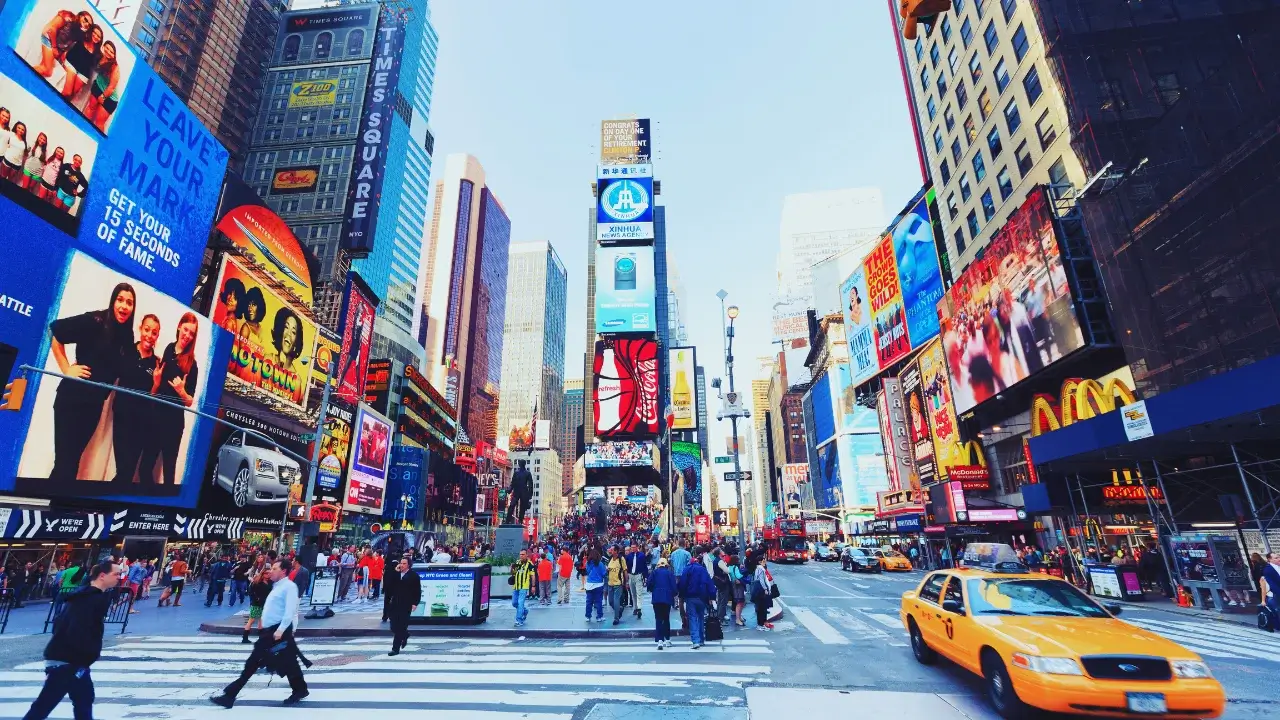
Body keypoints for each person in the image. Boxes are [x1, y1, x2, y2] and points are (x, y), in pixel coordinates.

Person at [48, 283, 136, 481]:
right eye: (120, 300)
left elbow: (129, 370)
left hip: (94, 406)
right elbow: (55, 331)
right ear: (113, 301)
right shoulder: (95, 320)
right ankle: (51, 506)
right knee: (65, 463)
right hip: (71, 400)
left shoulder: (126, 336)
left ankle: (52, 506)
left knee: (70, 462)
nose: (124, 306)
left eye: (129, 303)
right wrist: (66, 369)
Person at [21, 561, 118, 720]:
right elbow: (80, 628)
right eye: (116, 574)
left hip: (70, 659)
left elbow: (59, 624)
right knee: (45, 705)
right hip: (69, 660)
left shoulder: (82, 595)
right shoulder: (92, 599)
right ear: (102, 576)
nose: (119, 578)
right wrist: (85, 655)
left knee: (83, 700)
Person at [210, 560, 308, 708]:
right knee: (289, 662)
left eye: (275, 568)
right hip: (271, 631)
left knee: (252, 663)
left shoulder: (289, 587)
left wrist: (280, 630)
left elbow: (290, 612)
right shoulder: (277, 586)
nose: (271, 571)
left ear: (283, 571)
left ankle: (230, 695)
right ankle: (300, 689)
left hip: (277, 632)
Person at [138, 313, 200, 486]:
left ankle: (164, 511)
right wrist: (156, 381)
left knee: (169, 473)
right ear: (179, 326)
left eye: (192, 333)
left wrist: (182, 391)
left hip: (173, 423)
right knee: (144, 468)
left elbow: (189, 401)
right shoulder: (168, 349)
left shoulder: (192, 364)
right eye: (186, 329)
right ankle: (147, 507)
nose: (187, 335)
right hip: (156, 416)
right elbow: (160, 381)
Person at [678, 549, 714, 649]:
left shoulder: (686, 570)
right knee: (701, 617)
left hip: (690, 597)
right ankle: (701, 639)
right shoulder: (703, 570)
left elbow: (682, 584)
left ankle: (695, 640)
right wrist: (712, 597)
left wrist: (681, 595)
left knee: (693, 618)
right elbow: (709, 583)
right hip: (702, 597)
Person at [387, 558, 420, 655]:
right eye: (401, 563)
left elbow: (417, 591)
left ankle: (395, 649)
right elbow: (389, 585)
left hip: (406, 603)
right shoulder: (396, 574)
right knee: (393, 626)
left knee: (401, 625)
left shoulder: (414, 576)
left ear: (409, 565)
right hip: (395, 603)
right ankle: (405, 635)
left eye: (404, 563)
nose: (402, 565)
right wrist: (395, 572)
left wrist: (415, 603)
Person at [647, 557, 677, 649]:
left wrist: (653, 590)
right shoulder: (669, 573)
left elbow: (649, 584)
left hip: (656, 598)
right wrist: (674, 594)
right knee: (666, 618)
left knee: (658, 618)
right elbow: (674, 587)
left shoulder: (654, 572)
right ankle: (667, 639)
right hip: (667, 598)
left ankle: (660, 640)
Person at [241, 569, 271, 644]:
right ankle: (245, 637)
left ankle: (261, 638)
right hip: (256, 604)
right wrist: (256, 598)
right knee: (251, 620)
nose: (268, 575)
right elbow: (251, 591)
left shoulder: (270, 582)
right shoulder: (258, 582)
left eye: (269, 573)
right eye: (266, 573)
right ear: (263, 574)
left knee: (261, 620)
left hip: (265, 604)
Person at [510, 550, 535, 628]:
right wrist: (511, 568)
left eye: (523, 554)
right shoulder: (517, 562)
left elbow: (533, 576)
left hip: (524, 587)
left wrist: (533, 586)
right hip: (516, 586)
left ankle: (519, 620)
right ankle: (525, 611)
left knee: (520, 603)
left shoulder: (530, 564)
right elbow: (513, 573)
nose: (521, 556)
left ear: (526, 555)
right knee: (514, 603)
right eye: (520, 554)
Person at [751, 557, 776, 631]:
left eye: (765, 560)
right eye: (763, 561)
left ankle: (762, 624)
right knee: (762, 608)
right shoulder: (761, 569)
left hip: (760, 590)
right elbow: (762, 580)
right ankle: (760, 625)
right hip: (761, 590)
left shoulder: (759, 569)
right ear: (759, 562)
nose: (764, 562)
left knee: (762, 608)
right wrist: (765, 589)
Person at [583, 549, 607, 622]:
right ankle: (599, 617)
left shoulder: (588, 563)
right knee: (599, 601)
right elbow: (604, 574)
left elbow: (587, 571)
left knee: (589, 601)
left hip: (589, 585)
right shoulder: (600, 564)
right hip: (598, 585)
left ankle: (588, 616)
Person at [606, 546, 627, 625]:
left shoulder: (621, 559)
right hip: (610, 583)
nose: (610, 550)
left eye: (612, 549)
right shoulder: (610, 559)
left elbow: (625, 571)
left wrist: (626, 582)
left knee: (616, 601)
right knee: (610, 601)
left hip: (618, 583)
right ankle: (619, 610)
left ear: (616, 551)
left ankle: (616, 618)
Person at [727, 554, 746, 626]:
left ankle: (739, 617)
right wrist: (743, 571)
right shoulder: (735, 567)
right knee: (739, 603)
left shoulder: (729, 567)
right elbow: (739, 576)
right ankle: (738, 619)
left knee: (740, 602)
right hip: (738, 586)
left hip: (733, 585)